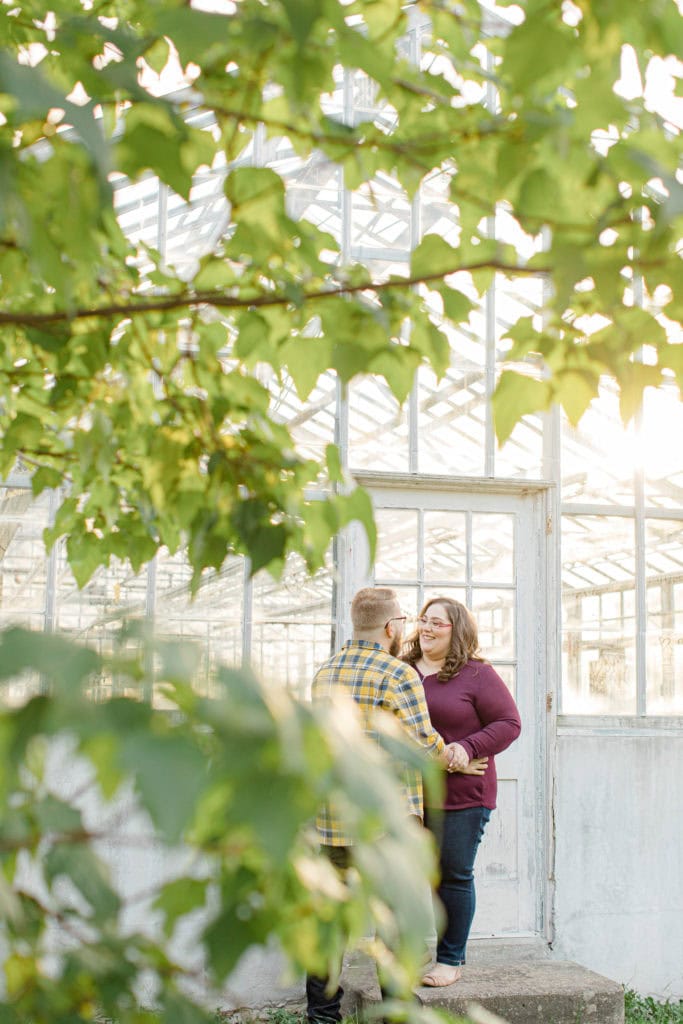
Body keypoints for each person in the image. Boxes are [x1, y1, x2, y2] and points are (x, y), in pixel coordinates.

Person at [305, 586, 471, 1024]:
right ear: (391, 627)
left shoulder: (324, 673)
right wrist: (456, 757)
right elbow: (421, 741)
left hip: (332, 820)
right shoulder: (398, 674)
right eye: (403, 622)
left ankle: (321, 1016)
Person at [402, 596, 522, 988]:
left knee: (452, 874)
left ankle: (449, 959)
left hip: (462, 796)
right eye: (423, 620)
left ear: (458, 631)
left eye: (438, 622)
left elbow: (508, 722)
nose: (427, 628)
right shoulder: (401, 671)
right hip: (408, 794)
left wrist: (465, 749)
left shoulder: (476, 675)